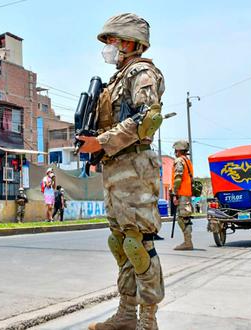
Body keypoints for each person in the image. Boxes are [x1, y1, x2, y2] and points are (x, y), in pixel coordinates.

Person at [77, 13, 165, 330]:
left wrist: (101, 141)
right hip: (114, 168)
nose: (108, 48)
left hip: (135, 168)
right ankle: (127, 313)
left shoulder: (141, 73)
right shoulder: (117, 78)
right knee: (120, 243)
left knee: (138, 244)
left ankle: (148, 320)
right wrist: (94, 150)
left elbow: (148, 118)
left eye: (112, 41)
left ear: (129, 42)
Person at [171, 140, 195, 251]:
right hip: (187, 193)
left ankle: (187, 242)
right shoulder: (187, 161)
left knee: (183, 219)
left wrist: (175, 194)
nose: (175, 152)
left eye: (176, 150)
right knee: (186, 218)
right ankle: (188, 241)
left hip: (182, 194)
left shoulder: (179, 161)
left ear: (179, 150)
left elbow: (178, 178)